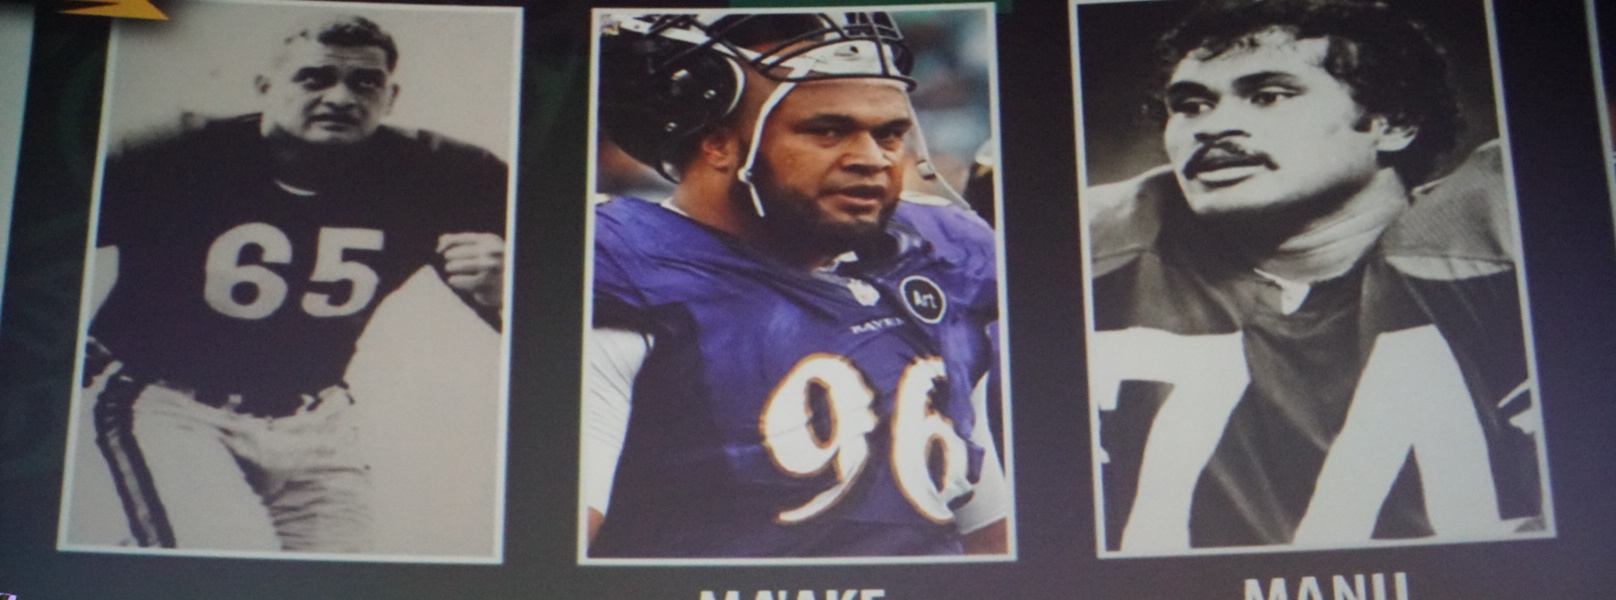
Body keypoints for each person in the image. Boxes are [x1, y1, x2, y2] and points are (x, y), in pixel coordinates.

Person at [1084, 0, 1546, 554]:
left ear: (1390, 123)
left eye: (1268, 95)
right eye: (1191, 105)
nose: (1213, 126)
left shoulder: (1514, 235)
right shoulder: (1097, 256)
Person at [584, 11, 1010, 558]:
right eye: (828, 131)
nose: (872, 160)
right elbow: (551, 556)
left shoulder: (942, 251)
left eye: (891, 134)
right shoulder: (631, 268)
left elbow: (983, 517)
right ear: (717, 143)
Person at [82, 14, 507, 554]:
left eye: (365, 82)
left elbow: (554, 330)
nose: (340, 96)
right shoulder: (176, 157)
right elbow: (37, 253)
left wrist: (508, 290)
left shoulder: (442, 173)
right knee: (216, 567)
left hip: (318, 422)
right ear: (265, 88)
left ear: (391, 96)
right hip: (174, 407)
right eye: (315, 77)